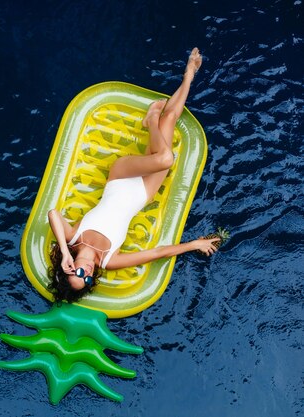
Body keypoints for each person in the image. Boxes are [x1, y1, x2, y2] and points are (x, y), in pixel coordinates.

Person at [47, 48, 220, 303]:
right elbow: (157, 252)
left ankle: (150, 119)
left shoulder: (72, 237)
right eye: (87, 280)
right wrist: (194, 245)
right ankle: (189, 74)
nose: (87, 274)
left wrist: (64, 251)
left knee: (165, 158)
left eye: (78, 273)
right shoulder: (110, 260)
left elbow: (53, 214)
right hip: (143, 193)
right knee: (169, 120)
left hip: (120, 177)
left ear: (70, 267)